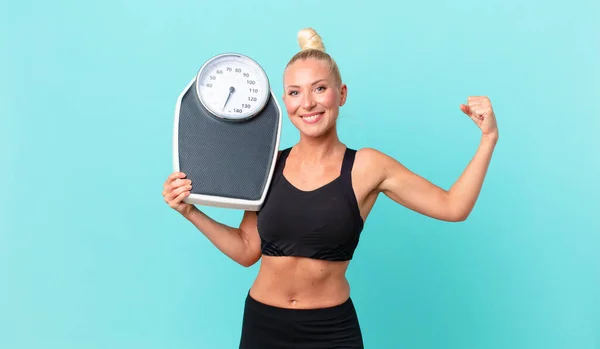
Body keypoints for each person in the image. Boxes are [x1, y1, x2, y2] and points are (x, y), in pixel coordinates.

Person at [162, 28, 499, 349]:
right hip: (262, 325)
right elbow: (248, 249)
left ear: (341, 94)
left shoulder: (368, 167)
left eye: (319, 89)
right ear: (283, 101)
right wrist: (191, 211)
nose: (307, 103)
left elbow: (453, 207)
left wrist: (488, 140)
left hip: (331, 332)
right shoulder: (266, 163)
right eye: (295, 92)